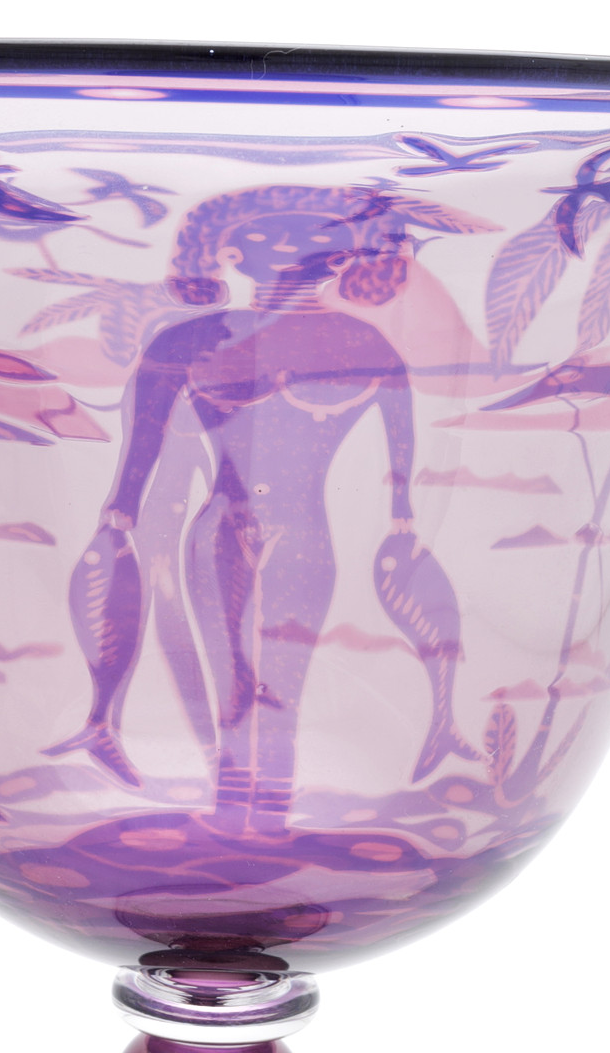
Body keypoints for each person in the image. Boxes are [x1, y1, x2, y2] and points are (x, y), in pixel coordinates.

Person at [45, 184, 480, 835]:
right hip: (229, 533)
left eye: (303, 244)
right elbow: (141, 449)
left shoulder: (355, 344)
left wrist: (402, 525)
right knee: (237, 678)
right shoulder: (193, 341)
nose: (285, 255)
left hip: (285, 535)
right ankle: (238, 813)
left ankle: (265, 815)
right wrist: (117, 519)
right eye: (265, 241)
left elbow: (403, 464)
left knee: (280, 679)